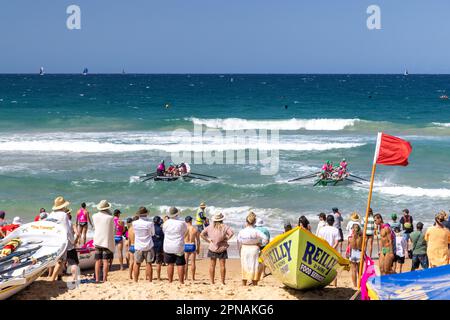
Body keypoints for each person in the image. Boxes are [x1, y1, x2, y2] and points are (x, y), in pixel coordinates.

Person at [46, 196, 75, 282]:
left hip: (51, 239)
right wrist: (72, 241)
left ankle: (59, 277)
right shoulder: (63, 215)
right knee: (61, 260)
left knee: (55, 259)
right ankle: (52, 278)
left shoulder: (50, 214)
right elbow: (67, 230)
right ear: (63, 206)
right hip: (60, 240)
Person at [200, 212, 234, 285]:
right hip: (222, 248)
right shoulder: (225, 226)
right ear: (221, 219)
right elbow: (231, 233)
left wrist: (208, 241)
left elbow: (202, 234)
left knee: (212, 265)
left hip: (212, 247)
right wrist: (226, 239)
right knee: (222, 265)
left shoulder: (209, 226)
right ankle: (222, 282)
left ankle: (212, 282)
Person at [237, 212, 268, 286]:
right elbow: (265, 238)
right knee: (254, 266)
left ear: (246, 222)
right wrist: (261, 244)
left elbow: (239, 241)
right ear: (254, 222)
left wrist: (239, 250)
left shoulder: (242, 231)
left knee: (244, 265)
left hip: (244, 248)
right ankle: (254, 283)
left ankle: (244, 283)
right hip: (254, 249)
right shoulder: (256, 231)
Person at [163, 207, 187, 284]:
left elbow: (164, 232)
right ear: (177, 214)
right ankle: (181, 282)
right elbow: (184, 232)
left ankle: (170, 281)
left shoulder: (165, 223)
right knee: (180, 264)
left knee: (170, 264)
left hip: (168, 245)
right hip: (178, 245)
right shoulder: (181, 223)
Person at [92, 200, 115, 283]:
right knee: (105, 261)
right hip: (106, 241)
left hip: (97, 240)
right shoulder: (110, 217)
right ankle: (105, 279)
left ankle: (97, 279)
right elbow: (113, 229)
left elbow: (95, 227)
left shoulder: (94, 216)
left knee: (97, 260)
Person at [132, 207, 155, 282]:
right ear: (146, 214)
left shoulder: (134, 223)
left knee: (137, 263)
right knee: (149, 264)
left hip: (138, 246)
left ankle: (136, 280)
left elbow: (135, 233)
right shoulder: (150, 223)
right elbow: (153, 233)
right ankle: (150, 280)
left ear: (139, 214)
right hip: (148, 245)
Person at [184, 216, 200, 281]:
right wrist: (198, 248)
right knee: (193, 262)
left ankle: (186, 277)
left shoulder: (184, 229)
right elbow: (198, 240)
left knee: (185, 262)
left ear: (185, 221)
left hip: (186, 245)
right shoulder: (194, 229)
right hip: (192, 245)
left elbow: (181, 238)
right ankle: (193, 278)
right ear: (191, 221)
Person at [348, 223, 363, 288]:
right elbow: (363, 247)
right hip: (359, 253)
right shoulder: (362, 237)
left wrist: (348, 254)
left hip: (353, 253)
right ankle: (359, 285)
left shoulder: (350, 238)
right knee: (360, 271)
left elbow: (349, 247)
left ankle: (355, 285)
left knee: (353, 270)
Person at [152, 216, 165, 281]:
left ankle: (147, 277)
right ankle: (158, 277)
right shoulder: (160, 229)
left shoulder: (151, 228)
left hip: (151, 246)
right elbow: (163, 239)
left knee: (148, 263)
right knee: (158, 263)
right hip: (159, 247)